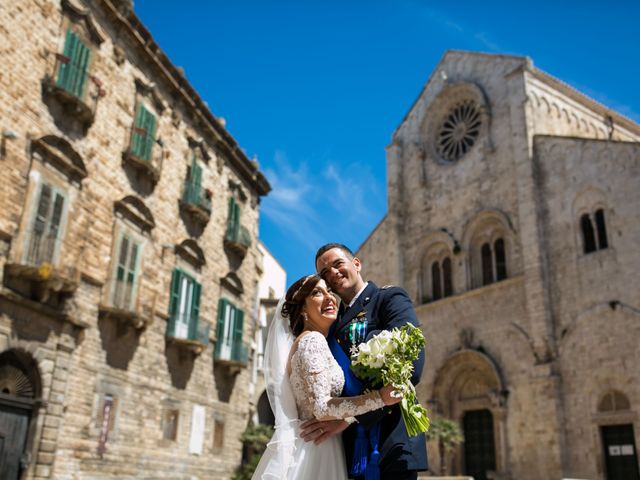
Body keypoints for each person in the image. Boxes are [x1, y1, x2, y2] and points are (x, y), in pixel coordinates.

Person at [252, 274, 400, 480]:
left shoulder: (306, 341)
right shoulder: (313, 341)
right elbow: (322, 408)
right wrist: (380, 398)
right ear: (302, 308)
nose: (329, 297)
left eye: (329, 291)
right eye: (316, 293)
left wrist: (348, 418)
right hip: (315, 449)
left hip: (314, 442)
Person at [301, 243, 428, 480]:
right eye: (325, 272)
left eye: (338, 264)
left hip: (391, 438)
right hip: (347, 448)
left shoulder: (388, 298)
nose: (333, 274)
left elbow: (412, 368)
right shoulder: (331, 323)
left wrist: (349, 417)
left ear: (356, 264)